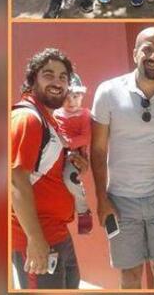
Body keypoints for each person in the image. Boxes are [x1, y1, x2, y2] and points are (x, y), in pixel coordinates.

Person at [90, 27, 154, 289]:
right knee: (130, 275)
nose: (153, 55)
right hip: (120, 201)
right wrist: (102, 199)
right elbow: (98, 150)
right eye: (147, 48)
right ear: (135, 53)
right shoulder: (108, 92)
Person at [11, 48, 89, 289]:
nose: (57, 82)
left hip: (58, 234)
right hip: (36, 238)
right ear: (33, 79)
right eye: (48, 74)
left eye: (63, 77)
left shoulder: (48, 118)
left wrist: (75, 163)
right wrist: (34, 240)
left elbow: (45, 167)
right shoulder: (28, 119)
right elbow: (15, 180)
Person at [52, 73, 93, 235]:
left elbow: (86, 137)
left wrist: (68, 143)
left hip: (74, 155)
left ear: (82, 96)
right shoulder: (56, 114)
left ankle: (82, 209)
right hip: (55, 154)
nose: (71, 102)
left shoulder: (84, 115)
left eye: (75, 96)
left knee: (71, 178)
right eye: (67, 97)